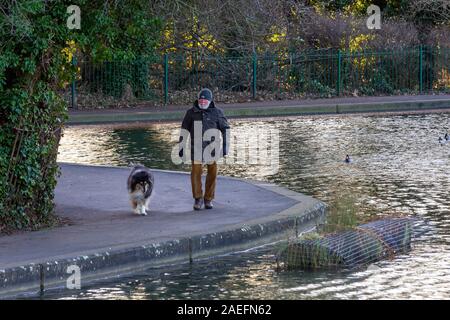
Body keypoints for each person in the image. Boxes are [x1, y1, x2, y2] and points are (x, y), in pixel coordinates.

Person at [179, 88, 230, 210]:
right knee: (195, 173)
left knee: (212, 173)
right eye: (200, 99)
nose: (202, 102)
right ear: (198, 100)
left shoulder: (217, 113)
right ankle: (198, 198)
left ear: (210, 100)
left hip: (212, 149)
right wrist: (180, 147)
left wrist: (225, 146)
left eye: (205, 100)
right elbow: (184, 130)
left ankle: (208, 199)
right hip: (196, 148)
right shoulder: (191, 113)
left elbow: (225, 129)